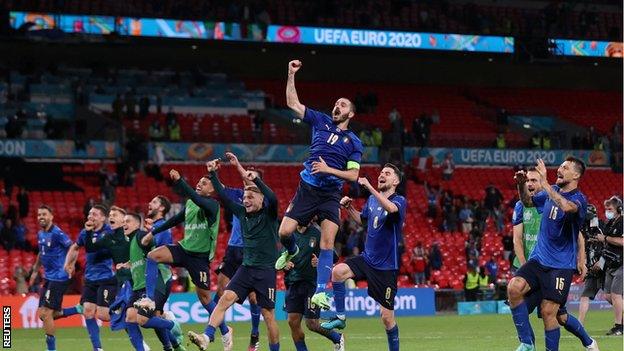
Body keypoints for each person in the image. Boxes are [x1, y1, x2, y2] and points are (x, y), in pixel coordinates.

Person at [275, 59, 363, 310]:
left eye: (342, 104)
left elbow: (354, 177)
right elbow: (293, 103)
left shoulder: (354, 142)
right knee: (284, 233)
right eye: (336, 103)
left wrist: (328, 169)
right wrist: (290, 74)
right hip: (308, 188)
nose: (337, 106)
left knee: (327, 243)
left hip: (330, 194)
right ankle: (289, 250)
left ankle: (321, 292)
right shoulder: (320, 121)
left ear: (351, 114)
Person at [134, 169, 233, 350]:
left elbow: (197, 199)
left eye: (204, 183)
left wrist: (180, 181)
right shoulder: (190, 203)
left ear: (212, 190)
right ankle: (149, 299)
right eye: (199, 182)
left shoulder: (213, 205)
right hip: (184, 249)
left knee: (204, 298)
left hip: (199, 258)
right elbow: (173, 221)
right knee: (152, 256)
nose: (199, 184)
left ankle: (226, 330)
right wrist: (152, 233)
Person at [188, 161, 280, 351]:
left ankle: (265, 343)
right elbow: (223, 195)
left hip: (265, 271)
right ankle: (207, 336)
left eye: (250, 197)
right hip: (246, 268)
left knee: (268, 315)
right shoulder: (241, 211)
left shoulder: (269, 213)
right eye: (244, 197)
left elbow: (273, 197)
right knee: (223, 300)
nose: (245, 200)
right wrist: (213, 173)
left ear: (261, 199)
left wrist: (259, 183)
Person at [508, 157, 599, 351]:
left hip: (560, 266)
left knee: (551, 312)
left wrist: (545, 183)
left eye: (565, 167)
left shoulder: (579, 200)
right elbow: (527, 201)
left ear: (576, 175)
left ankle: (588, 343)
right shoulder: (552, 192)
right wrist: (521, 185)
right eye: (559, 166)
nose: (559, 169)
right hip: (539, 260)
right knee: (514, 288)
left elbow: (566, 207)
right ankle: (527, 343)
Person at [322, 164, 406, 351]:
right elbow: (364, 220)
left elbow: (392, 209)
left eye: (387, 173)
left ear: (396, 181)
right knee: (337, 272)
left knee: (386, 318)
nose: (382, 175)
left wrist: (370, 187)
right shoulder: (372, 200)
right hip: (367, 259)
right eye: (381, 173)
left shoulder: (399, 200)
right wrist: (350, 208)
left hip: (386, 268)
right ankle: (341, 317)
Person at [212, 153, 262, 351]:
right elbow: (220, 189)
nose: (249, 179)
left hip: (251, 251)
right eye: (247, 176)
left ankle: (255, 333)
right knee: (220, 291)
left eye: (253, 177)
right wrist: (214, 173)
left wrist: (238, 165)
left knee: (253, 298)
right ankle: (221, 328)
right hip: (233, 249)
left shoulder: (263, 200)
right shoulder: (237, 195)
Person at [124, 212, 185, 351]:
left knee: (143, 321)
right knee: (130, 317)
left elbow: (151, 244)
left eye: (128, 221)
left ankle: (171, 325)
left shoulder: (140, 235)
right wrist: (128, 263)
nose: (124, 224)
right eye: (124, 222)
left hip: (151, 284)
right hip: (138, 287)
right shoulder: (132, 241)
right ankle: (172, 346)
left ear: (136, 224)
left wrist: (150, 233)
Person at [281, 221, 345, 351]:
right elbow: (282, 257)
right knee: (292, 322)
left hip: (311, 284)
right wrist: (285, 264)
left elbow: (333, 257)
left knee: (312, 324)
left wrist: (320, 260)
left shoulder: (317, 233)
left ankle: (337, 338)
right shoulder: (289, 234)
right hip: (294, 283)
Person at [64, 204, 118, 351]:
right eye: (89, 214)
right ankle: (97, 348)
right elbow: (75, 247)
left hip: (106, 278)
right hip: (90, 278)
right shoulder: (84, 232)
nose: (90, 217)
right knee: (87, 311)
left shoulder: (109, 232)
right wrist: (69, 263)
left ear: (102, 217)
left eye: (94, 214)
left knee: (104, 315)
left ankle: (127, 313)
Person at [28, 205, 78, 351]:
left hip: (59, 276)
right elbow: (41, 252)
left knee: (46, 313)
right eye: (39, 215)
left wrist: (71, 264)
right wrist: (35, 271)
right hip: (48, 277)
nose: (41, 217)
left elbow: (73, 247)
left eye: (44, 214)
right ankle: (76, 309)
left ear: (51, 216)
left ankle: (51, 349)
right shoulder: (40, 234)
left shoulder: (57, 233)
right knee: (43, 315)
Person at [595, 196, 623, 336]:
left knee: (616, 295)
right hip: (610, 262)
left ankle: (619, 326)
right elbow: (605, 245)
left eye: (610, 209)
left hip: (621, 263)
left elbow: (622, 242)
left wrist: (605, 238)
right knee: (607, 295)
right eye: (606, 209)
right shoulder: (609, 223)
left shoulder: (622, 222)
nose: (607, 211)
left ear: (618, 209)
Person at [512, 167, 542, 271]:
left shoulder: (550, 203)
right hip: (523, 264)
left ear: (542, 183)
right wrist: (525, 267)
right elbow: (517, 239)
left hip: (544, 265)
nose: (529, 184)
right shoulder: (520, 206)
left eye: (534, 180)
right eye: (527, 180)